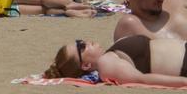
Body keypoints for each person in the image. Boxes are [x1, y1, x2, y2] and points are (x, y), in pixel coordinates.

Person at [45, 37, 187, 84]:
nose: (87, 42)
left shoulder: (109, 55)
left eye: (80, 41)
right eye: (81, 46)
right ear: (86, 65)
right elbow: (143, 80)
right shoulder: (106, 64)